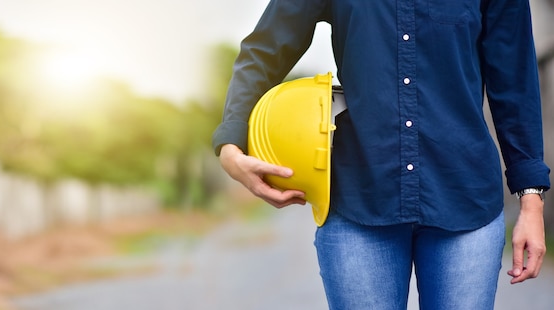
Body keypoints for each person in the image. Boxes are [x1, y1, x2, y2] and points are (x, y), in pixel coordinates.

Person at [212, 0, 550, 309]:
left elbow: (515, 79)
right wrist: (231, 142)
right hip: (359, 198)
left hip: (465, 199)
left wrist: (531, 203)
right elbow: (266, 49)